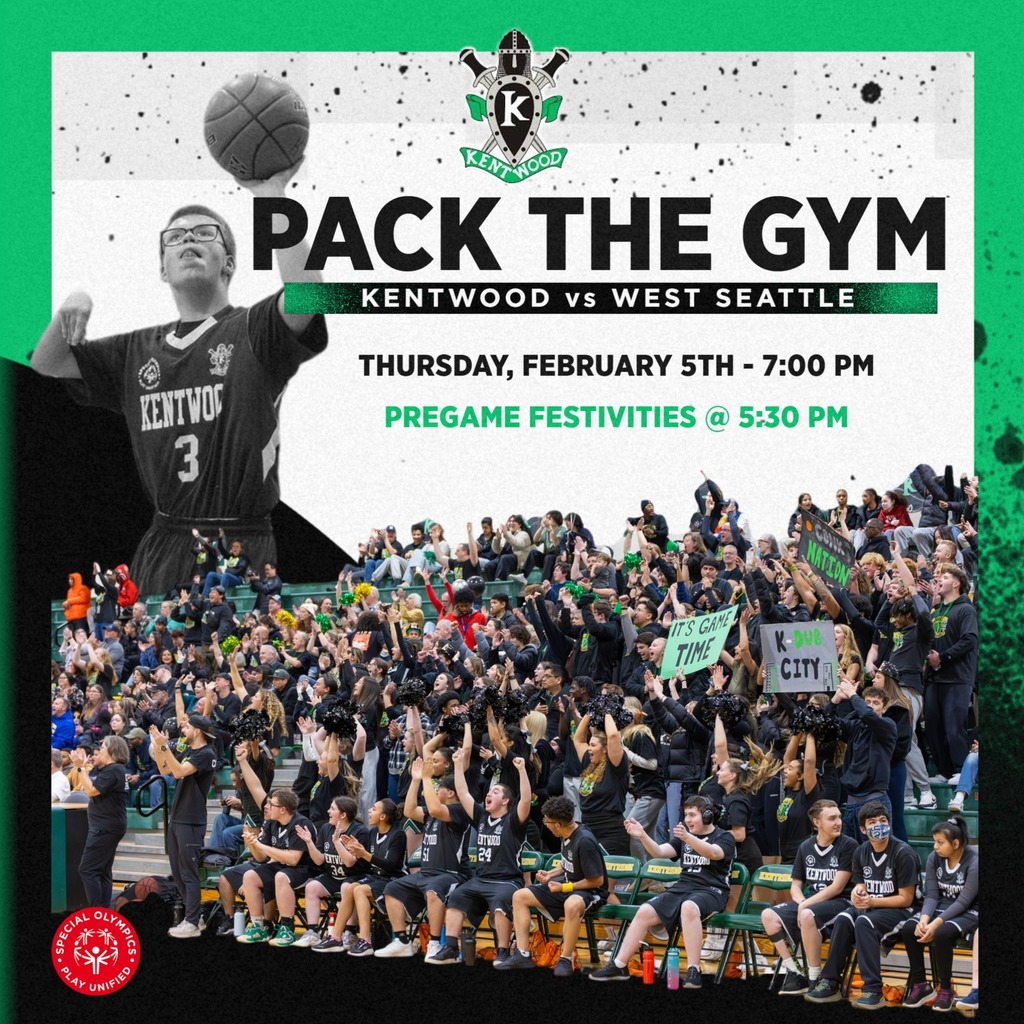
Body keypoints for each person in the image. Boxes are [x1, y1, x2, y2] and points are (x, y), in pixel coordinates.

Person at [31, 171, 328, 597]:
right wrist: (71, 304)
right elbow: (48, 363)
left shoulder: (253, 329)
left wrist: (271, 195)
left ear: (228, 262)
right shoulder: (135, 351)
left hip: (240, 540)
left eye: (205, 233)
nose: (188, 238)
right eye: (175, 236)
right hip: (165, 541)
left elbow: (311, 295)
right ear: (162, 269)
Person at [589, 795, 736, 988]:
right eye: (686, 815)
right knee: (644, 911)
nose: (688, 820)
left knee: (689, 907)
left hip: (712, 890)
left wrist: (688, 838)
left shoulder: (724, 837)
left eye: (692, 815)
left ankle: (694, 970)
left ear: (707, 816)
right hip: (684, 886)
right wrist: (642, 835)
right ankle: (619, 965)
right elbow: (659, 851)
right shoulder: (685, 837)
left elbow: (714, 853)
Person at [804, 801, 919, 1009]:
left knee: (864, 921)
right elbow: (860, 885)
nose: (879, 825)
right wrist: (858, 893)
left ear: (889, 824)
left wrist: (872, 901)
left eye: (883, 821)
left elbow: (906, 899)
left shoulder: (904, 853)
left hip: (903, 911)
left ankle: (873, 990)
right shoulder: (861, 852)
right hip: (874, 908)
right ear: (863, 829)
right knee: (844, 918)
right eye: (872, 822)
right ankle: (830, 981)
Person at [425, 740, 531, 964]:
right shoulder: (482, 817)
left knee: (502, 901)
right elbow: (462, 792)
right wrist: (456, 765)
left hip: (507, 881)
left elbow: (526, 800)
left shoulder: (514, 821)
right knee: (456, 896)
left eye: (495, 791)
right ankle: (451, 947)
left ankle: (502, 951)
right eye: (489, 791)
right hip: (480, 879)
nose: (488, 794)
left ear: (505, 801)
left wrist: (521, 771)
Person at [498, 795, 608, 977]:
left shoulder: (585, 841)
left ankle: (565, 958)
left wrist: (564, 888)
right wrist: (551, 874)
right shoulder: (566, 832)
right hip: (568, 886)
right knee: (520, 896)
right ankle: (523, 954)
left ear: (557, 825)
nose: (545, 824)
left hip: (590, 892)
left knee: (571, 904)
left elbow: (597, 881)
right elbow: (569, 861)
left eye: (547, 821)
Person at [375, 756, 472, 958]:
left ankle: (435, 943)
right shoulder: (432, 814)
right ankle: (401, 941)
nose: (436, 791)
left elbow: (436, 808)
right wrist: (417, 780)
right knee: (392, 888)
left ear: (451, 792)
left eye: (439, 788)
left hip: (451, 874)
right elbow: (410, 810)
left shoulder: (459, 811)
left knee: (434, 890)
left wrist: (428, 778)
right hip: (426, 874)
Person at [760, 799, 858, 995]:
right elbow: (795, 885)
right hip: (811, 902)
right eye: (832, 818)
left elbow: (837, 887)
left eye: (838, 817)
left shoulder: (849, 845)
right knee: (768, 915)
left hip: (841, 902)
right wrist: (802, 903)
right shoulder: (806, 846)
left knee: (806, 915)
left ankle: (814, 978)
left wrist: (805, 906)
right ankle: (795, 973)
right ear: (817, 822)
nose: (838, 822)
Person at [148, 713, 218, 938]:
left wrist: (164, 747)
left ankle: (192, 922)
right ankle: (194, 916)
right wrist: (158, 747)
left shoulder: (206, 754)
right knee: (178, 873)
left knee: (188, 873)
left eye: (186, 727)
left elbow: (178, 771)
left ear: (197, 731)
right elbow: (166, 770)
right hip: (177, 817)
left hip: (191, 819)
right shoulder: (191, 751)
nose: (183, 731)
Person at [898, 816, 978, 1011]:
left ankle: (945, 988)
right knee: (910, 928)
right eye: (934, 841)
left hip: (969, 911)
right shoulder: (935, 858)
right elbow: (932, 895)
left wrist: (936, 924)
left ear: (956, 843)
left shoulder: (974, 862)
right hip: (941, 906)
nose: (935, 847)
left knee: (942, 933)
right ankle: (921, 985)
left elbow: (964, 901)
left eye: (940, 842)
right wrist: (924, 920)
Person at [311, 798, 405, 955]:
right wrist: (354, 848)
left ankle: (365, 940)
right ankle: (336, 937)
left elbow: (389, 865)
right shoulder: (372, 832)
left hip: (392, 879)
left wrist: (363, 854)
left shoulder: (398, 835)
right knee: (350, 888)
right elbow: (364, 856)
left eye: (374, 809)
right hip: (376, 877)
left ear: (383, 816)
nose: (369, 810)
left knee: (359, 890)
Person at [828, 680, 897, 839]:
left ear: (884, 708)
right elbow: (827, 723)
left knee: (877, 854)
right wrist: (836, 699)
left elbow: (867, 714)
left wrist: (852, 694)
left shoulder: (888, 726)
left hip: (875, 802)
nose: (871, 706)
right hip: (851, 804)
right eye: (867, 702)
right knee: (849, 856)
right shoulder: (855, 727)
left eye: (876, 703)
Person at [70, 734, 130, 908]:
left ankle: (97, 912)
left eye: (103, 748)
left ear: (111, 751)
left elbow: (91, 791)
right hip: (109, 825)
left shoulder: (113, 770)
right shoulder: (114, 770)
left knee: (87, 870)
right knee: (102, 871)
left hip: (105, 827)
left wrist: (80, 768)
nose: (99, 752)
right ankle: (104, 911)